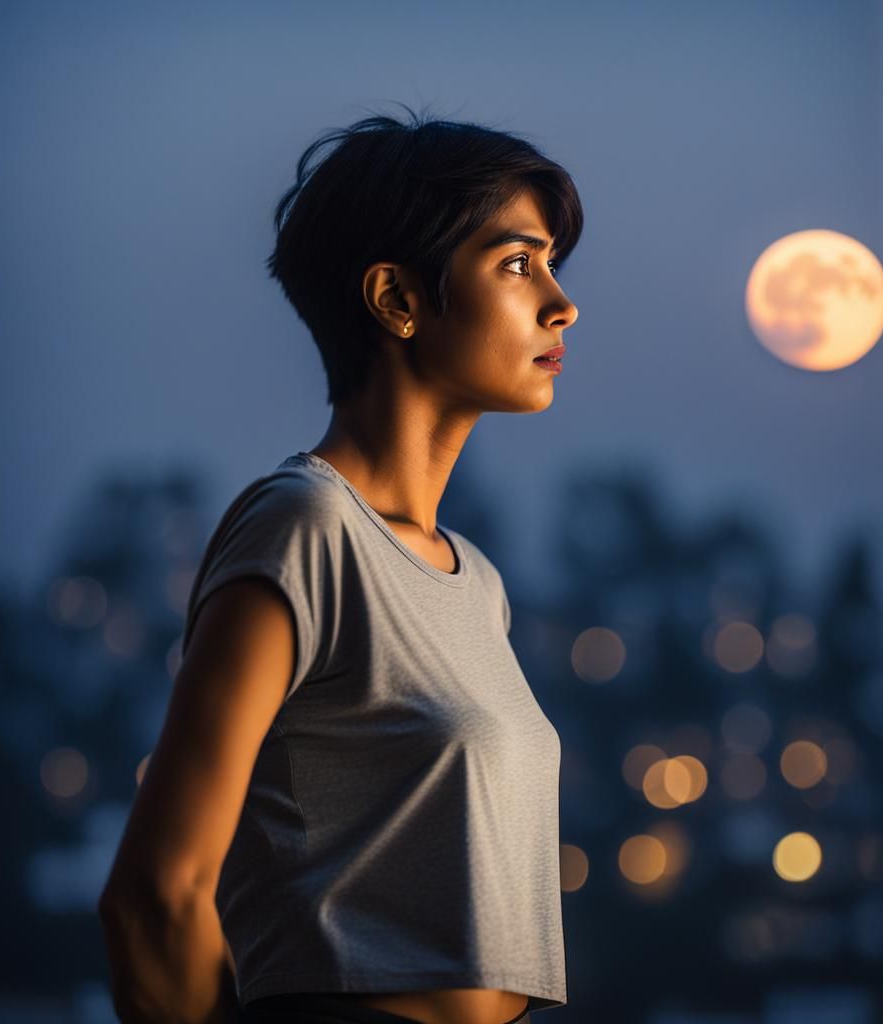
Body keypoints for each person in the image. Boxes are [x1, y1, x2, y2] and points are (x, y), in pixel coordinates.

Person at [97, 102, 582, 1024]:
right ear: (397, 299)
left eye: (552, 265)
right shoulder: (305, 528)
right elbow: (156, 897)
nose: (561, 302)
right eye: (518, 264)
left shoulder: (474, 583)